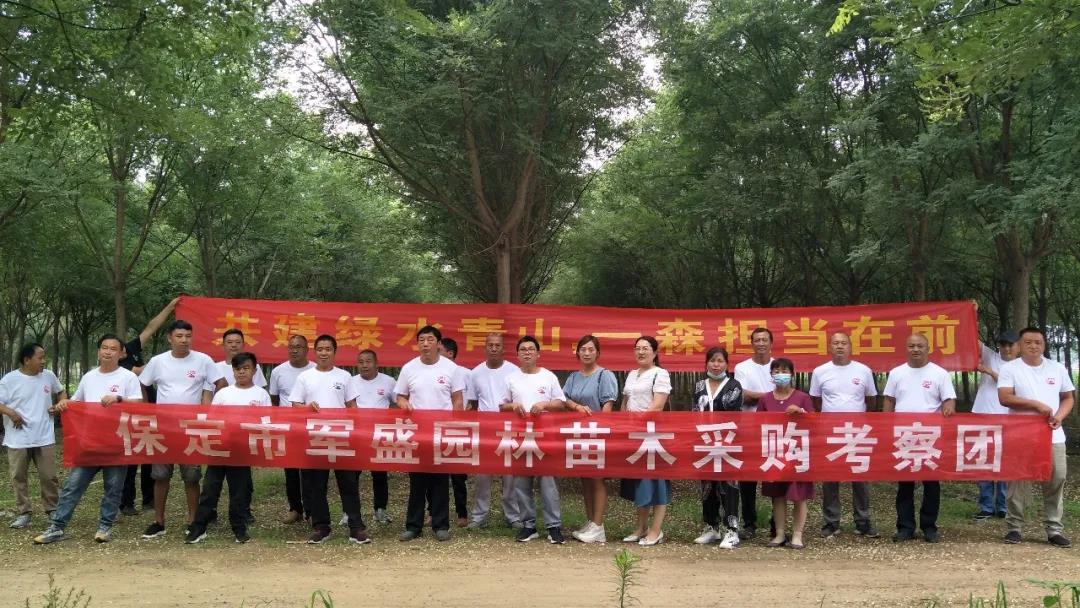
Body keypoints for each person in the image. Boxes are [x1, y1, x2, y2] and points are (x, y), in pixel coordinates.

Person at [33, 335, 144, 544]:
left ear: (121, 354)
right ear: (98, 351)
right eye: (104, 347)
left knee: (113, 488)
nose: (108, 352)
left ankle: (104, 527)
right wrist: (64, 404)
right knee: (73, 486)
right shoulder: (89, 377)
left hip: (116, 443)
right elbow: (76, 402)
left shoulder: (128, 377)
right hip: (90, 442)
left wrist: (119, 398)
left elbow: (139, 405)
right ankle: (57, 528)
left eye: (113, 349)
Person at [138, 320, 226, 539]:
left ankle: (193, 521)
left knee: (192, 476)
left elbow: (221, 383)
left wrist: (210, 405)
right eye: (179, 336)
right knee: (160, 475)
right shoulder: (158, 361)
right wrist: (146, 409)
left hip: (191, 427)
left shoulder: (203, 360)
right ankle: (159, 521)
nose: (184, 340)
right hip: (163, 426)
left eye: (188, 336)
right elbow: (142, 383)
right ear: (170, 338)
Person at [998, 326, 1074, 548]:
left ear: (1044, 345)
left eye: (1038, 342)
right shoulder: (1010, 368)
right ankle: (1014, 527)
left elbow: (1068, 397)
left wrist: (1059, 416)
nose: (1033, 346)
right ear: (1020, 345)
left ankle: (1054, 529)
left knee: (1056, 478)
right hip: (1020, 434)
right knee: (1017, 481)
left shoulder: (1056, 368)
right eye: (1028, 342)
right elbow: (1005, 397)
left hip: (1052, 434)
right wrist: (1035, 405)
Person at [290, 335, 367, 544]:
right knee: (316, 484)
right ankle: (321, 527)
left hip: (341, 436)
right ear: (315, 352)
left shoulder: (345, 376)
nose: (324, 353)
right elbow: (295, 406)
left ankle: (356, 527)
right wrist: (307, 408)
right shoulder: (305, 377)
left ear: (334, 352)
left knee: (348, 482)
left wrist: (357, 433)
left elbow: (352, 407)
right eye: (320, 349)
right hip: (315, 437)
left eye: (328, 349)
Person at [186, 353, 270, 544]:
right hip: (220, 448)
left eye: (246, 368)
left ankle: (239, 528)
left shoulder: (261, 394)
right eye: (238, 369)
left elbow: (266, 422)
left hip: (243, 450)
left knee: (239, 491)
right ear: (233, 371)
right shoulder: (223, 394)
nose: (242, 372)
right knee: (210, 489)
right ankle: (199, 527)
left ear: (254, 371)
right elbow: (212, 420)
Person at [883, 333, 956, 543]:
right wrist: (885, 426)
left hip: (930, 436)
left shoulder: (940, 373)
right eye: (912, 346)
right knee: (905, 483)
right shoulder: (897, 373)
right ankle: (905, 527)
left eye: (920, 346)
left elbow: (949, 400)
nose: (916, 349)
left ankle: (929, 526)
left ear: (928, 348)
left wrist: (949, 408)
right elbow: (889, 400)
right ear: (906, 348)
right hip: (904, 435)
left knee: (931, 483)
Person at [396, 325, 465, 542]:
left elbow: (457, 400)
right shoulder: (409, 368)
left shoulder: (451, 368)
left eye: (430, 340)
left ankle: (441, 525)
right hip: (416, 432)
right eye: (422, 340)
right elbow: (399, 396)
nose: (425, 344)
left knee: (440, 479)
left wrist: (455, 425)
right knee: (417, 480)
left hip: (442, 431)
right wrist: (404, 403)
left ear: (438, 343)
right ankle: (413, 526)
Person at [809, 332, 880, 539]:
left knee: (860, 478)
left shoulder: (863, 370)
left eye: (843, 343)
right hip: (830, 432)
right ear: (829, 347)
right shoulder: (820, 371)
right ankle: (831, 522)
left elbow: (871, 400)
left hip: (857, 432)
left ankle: (863, 521)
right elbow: (816, 401)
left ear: (850, 346)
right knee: (830, 478)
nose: (840, 346)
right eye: (835, 343)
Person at [500, 335, 569, 544]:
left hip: (545, 436)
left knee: (548, 482)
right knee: (521, 482)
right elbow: (502, 406)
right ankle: (528, 525)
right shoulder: (511, 378)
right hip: (520, 436)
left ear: (538, 354)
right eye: (523, 349)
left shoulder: (548, 376)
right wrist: (513, 406)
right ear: (517, 354)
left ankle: (553, 526)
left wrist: (544, 405)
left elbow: (561, 403)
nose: (527, 352)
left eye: (531, 349)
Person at [118, 296, 179, 517]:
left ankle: (149, 499)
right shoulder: (118, 364)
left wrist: (170, 307)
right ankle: (126, 502)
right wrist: (157, 365)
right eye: (110, 348)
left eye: (118, 347)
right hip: (130, 414)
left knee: (150, 454)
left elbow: (151, 328)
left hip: (151, 411)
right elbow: (139, 372)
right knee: (131, 458)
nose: (118, 351)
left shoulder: (132, 349)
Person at [1, 343, 66, 529]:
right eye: (40, 357)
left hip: (44, 436)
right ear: (27, 360)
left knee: (49, 476)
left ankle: (52, 510)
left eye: (44, 357)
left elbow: (61, 392)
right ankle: (24, 512)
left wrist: (60, 404)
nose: (43, 361)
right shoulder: (9, 380)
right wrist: (11, 413)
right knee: (18, 477)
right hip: (18, 438)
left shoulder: (48, 376)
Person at [466, 332, 522, 531]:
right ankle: (479, 516)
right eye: (490, 345)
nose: (494, 348)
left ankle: (513, 516)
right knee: (483, 475)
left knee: (510, 475)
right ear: (485, 347)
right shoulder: (475, 373)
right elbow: (473, 404)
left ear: (503, 348)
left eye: (498, 345)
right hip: (485, 429)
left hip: (509, 429)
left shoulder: (514, 371)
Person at [564, 335, 618, 544]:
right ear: (577, 353)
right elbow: (563, 398)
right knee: (585, 477)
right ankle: (590, 522)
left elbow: (607, 406)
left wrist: (601, 430)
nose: (586, 353)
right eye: (583, 349)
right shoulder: (573, 377)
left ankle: (598, 525)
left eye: (590, 349)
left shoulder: (605, 375)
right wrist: (576, 406)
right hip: (577, 433)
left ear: (598, 353)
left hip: (597, 433)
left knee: (597, 478)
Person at [619, 336, 672, 547]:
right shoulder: (632, 374)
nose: (641, 352)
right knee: (640, 481)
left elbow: (657, 405)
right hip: (633, 434)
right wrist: (624, 424)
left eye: (645, 348)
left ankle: (656, 530)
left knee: (657, 481)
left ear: (655, 352)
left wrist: (637, 422)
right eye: (637, 348)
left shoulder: (660, 374)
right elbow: (625, 402)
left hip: (652, 434)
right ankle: (640, 527)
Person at [760, 358, 817, 549]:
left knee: (799, 495)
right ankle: (780, 534)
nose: (780, 374)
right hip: (775, 451)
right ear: (771, 375)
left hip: (798, 451)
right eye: (776, 371)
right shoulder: (765, 399)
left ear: (792, 374)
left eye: (784, 370)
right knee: (777, 495)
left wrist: (801, 412)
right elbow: (757, 424)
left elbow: (814, 421)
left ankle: (798, 535)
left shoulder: (802, 397)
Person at [690, 346, 743, 549]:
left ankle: (732, 530)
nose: (716, 364)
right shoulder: (699, 385)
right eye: (712, 360)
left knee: (728, 485)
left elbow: (733, 414)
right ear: (706, 363)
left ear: (727, 364)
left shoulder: (734, 386)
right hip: (704, 441)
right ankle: (711, 526)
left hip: (727, 441)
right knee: (707, 486)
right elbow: (694, 411)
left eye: (720, 361)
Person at [971, 330, 1019, 520]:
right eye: (1003, 344)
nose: (1006, 348)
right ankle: (986, 506)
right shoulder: (990, 356)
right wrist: (970, 316)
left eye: (1010, 345)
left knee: (1005, 463)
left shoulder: (1021, 367)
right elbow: (971, 338)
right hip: (983, 416)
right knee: (983, 461)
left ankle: (1003, 505)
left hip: (1008, 419)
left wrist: (989, 371)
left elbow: (1012, 388)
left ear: (1018, 346)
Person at [268, 334, 315, 524]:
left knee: (310, 469)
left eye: (299, 347)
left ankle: (311, 510)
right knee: (291, 469)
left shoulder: (315, 370)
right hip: (288, 427)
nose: (294, 350)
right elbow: (274, 400)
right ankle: (295, 508)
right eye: (291, 347)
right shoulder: (278, 371)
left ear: (307, 350)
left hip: (310, 426)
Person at [732, 327, 774, 539]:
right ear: (752, 343)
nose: (761, 343)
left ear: (771, 343)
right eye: (757, 340)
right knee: (747, 479)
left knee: (775, 475)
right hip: (748, 429)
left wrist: (760, 397)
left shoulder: (779, 366)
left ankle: (777, 524)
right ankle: (749, 523)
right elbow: (743, 395)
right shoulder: (742, 367)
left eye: (764, 340)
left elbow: (786, 395)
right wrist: (771, 397)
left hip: (774, 430)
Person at [346, 348, 396, 525]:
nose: (364, 365)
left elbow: (398, 403)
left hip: (379, 435)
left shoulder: (389, 381)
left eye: (368, 361)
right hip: (356, 435)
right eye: (361, 362)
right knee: (352, 475)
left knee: (380, 474)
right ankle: (349, 512)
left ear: (376, 364)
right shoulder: (351, 382)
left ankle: (380, 510)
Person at [439, 337, 471, 527]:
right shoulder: (431, 371)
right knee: (436, 472)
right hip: (436, 429)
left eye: (440, 351)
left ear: (450, 353)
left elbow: (472, 400)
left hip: (459, 428)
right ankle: (433, 512)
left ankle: (462, 513)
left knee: (458, 474)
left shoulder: (465, 373)